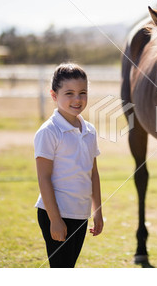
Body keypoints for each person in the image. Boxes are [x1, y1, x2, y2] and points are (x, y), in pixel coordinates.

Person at [34, 63, 103, 268]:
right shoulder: (49, 131)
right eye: (69, 93)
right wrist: (55, 219)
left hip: (79, 213)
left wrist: (97, 210)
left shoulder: (89, 130)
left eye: (83, 92)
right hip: (55, 213)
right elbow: (43, 178)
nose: (77, 99)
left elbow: (94, 173)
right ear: (54, 95)